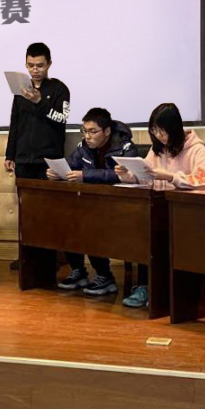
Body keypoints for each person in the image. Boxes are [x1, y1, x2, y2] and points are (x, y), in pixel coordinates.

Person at [115, 102, 205, 308]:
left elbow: (202, 180)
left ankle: (168, 291)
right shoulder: (157, 150)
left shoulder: (197, 149)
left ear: (174, 128)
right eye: (154, 131)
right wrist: (128, 175)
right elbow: (147, 177)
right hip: (160, 210)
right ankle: (145, 287)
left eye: (162, 131)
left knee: (160, 236)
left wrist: (170, 177)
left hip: (189, 214)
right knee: (143, 232)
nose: (158, 136)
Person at [51, 108, 138, 296]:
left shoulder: (125, 147)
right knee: (67, 220)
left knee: (90, 223)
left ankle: (105, 277)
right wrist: (57, 172)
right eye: (84, 131)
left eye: (92, 131)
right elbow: (71, 165)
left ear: (107, 131)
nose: (87, 136)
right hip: (92, 204)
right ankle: (78, 271)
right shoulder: (84, 147)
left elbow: (121, 175)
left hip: (120, 206)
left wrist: (85, 175)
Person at [4, 42, 70, 269]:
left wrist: (40, 102)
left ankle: (50, 258)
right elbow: (15, 122)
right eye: (30, 65)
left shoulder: (60, 89)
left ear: (49, 64)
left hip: (48, 160)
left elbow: (62, 119)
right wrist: (10, 153)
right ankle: (27, 257)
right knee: (26, 211)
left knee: (48, 211)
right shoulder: (20, 90)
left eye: (40, 65)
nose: (35, 70)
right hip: (24, 158)